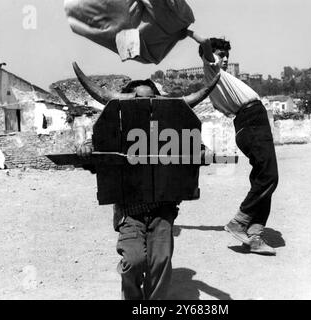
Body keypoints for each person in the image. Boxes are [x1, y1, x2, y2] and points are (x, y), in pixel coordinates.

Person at [76, 80, 180, 300]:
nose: (145, 107)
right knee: (133, 261)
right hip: (129, 212)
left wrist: (203, 150)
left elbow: (194, 145)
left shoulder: (168, 128)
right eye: (138, 101)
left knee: (160, 261)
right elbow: (93, 149)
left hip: (162, 209)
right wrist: (86, 149)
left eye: (150, 100)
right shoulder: (116, 129)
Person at [187, 30, 279, 256]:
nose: (225, 58)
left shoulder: (221, 76)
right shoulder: (212, 68)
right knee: (269, 177)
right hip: (251, 121)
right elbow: (205, 44)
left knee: (263, 179)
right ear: (209, 56)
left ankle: (255, 235)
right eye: (221, 54)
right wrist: (187, 30)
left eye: (227, 54)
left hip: (253, 121)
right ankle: (239, 222)